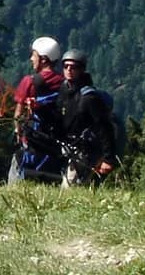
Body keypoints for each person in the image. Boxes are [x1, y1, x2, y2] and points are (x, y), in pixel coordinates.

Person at [7, 36, 65, 183]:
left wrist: (17, 131)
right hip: (55, 143)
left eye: (34, 55)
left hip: (33, 141)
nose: (31, 59)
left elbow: (18, 115)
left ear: (44, 59)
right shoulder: (63, 82)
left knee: (19, 166)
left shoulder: (30, 82)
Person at [57, 48, 117, 184]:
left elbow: (104, 128)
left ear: (81, 70)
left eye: (74, 67)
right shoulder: (64, 91)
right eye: (66, 66)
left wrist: (108, 159)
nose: (69, 70)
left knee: (69, 189)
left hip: (85, 151)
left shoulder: (89, 98)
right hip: (68, 147)